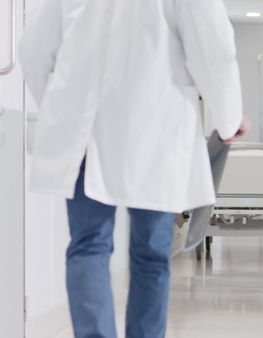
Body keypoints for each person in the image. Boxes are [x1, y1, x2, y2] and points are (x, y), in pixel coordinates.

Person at [19, 0, 247, 337]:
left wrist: (58, 107)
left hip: (84, 125)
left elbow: (34, 48)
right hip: (154, 124)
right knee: (151, 254)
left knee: (88, 245)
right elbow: (212, 46)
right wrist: (228, 118)